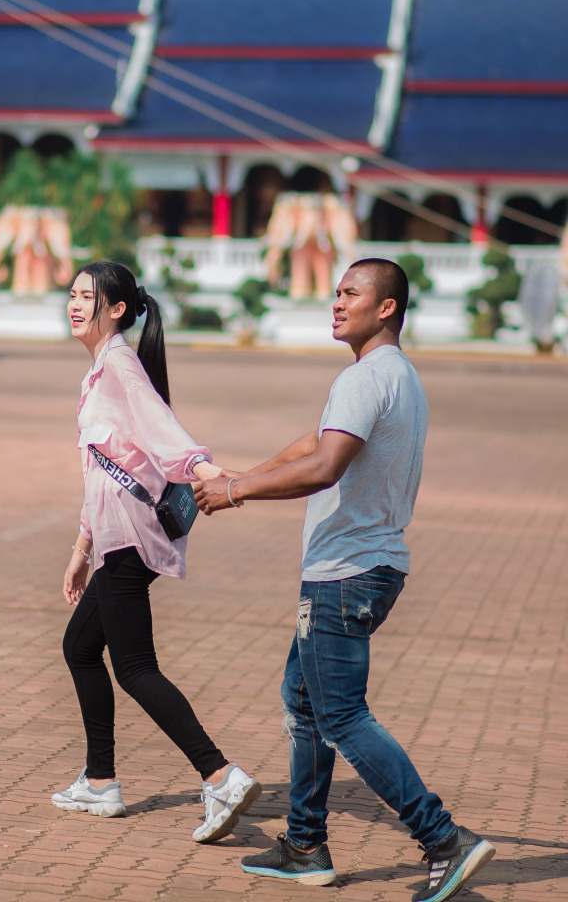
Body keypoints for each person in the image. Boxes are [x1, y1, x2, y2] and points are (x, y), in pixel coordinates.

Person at [195, 258, 495, 901]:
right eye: (335, 292)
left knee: (340, 716)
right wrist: (240, 477)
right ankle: (306, 845)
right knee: (304, 701)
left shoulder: (364, 378)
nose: (336, 302)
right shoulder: (395, 376)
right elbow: (316, 443)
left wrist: (236, 491)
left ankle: (444, 839)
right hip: (368, 568)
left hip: (344, 575)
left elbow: (325, 466)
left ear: (386, 308)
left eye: (350, 293)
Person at [53, 259, 261, 843]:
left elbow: (161, 429)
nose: (74, 305)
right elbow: (104, 467)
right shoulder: (101, 368)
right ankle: (100, 781)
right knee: (80, 647)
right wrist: (81, 547)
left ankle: (219, 776)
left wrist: (212, 474)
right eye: (72, 294)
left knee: (136, 668)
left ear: (117, 309)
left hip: (131, 536)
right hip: (114, 536)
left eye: (87, 296)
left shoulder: (120, 363)